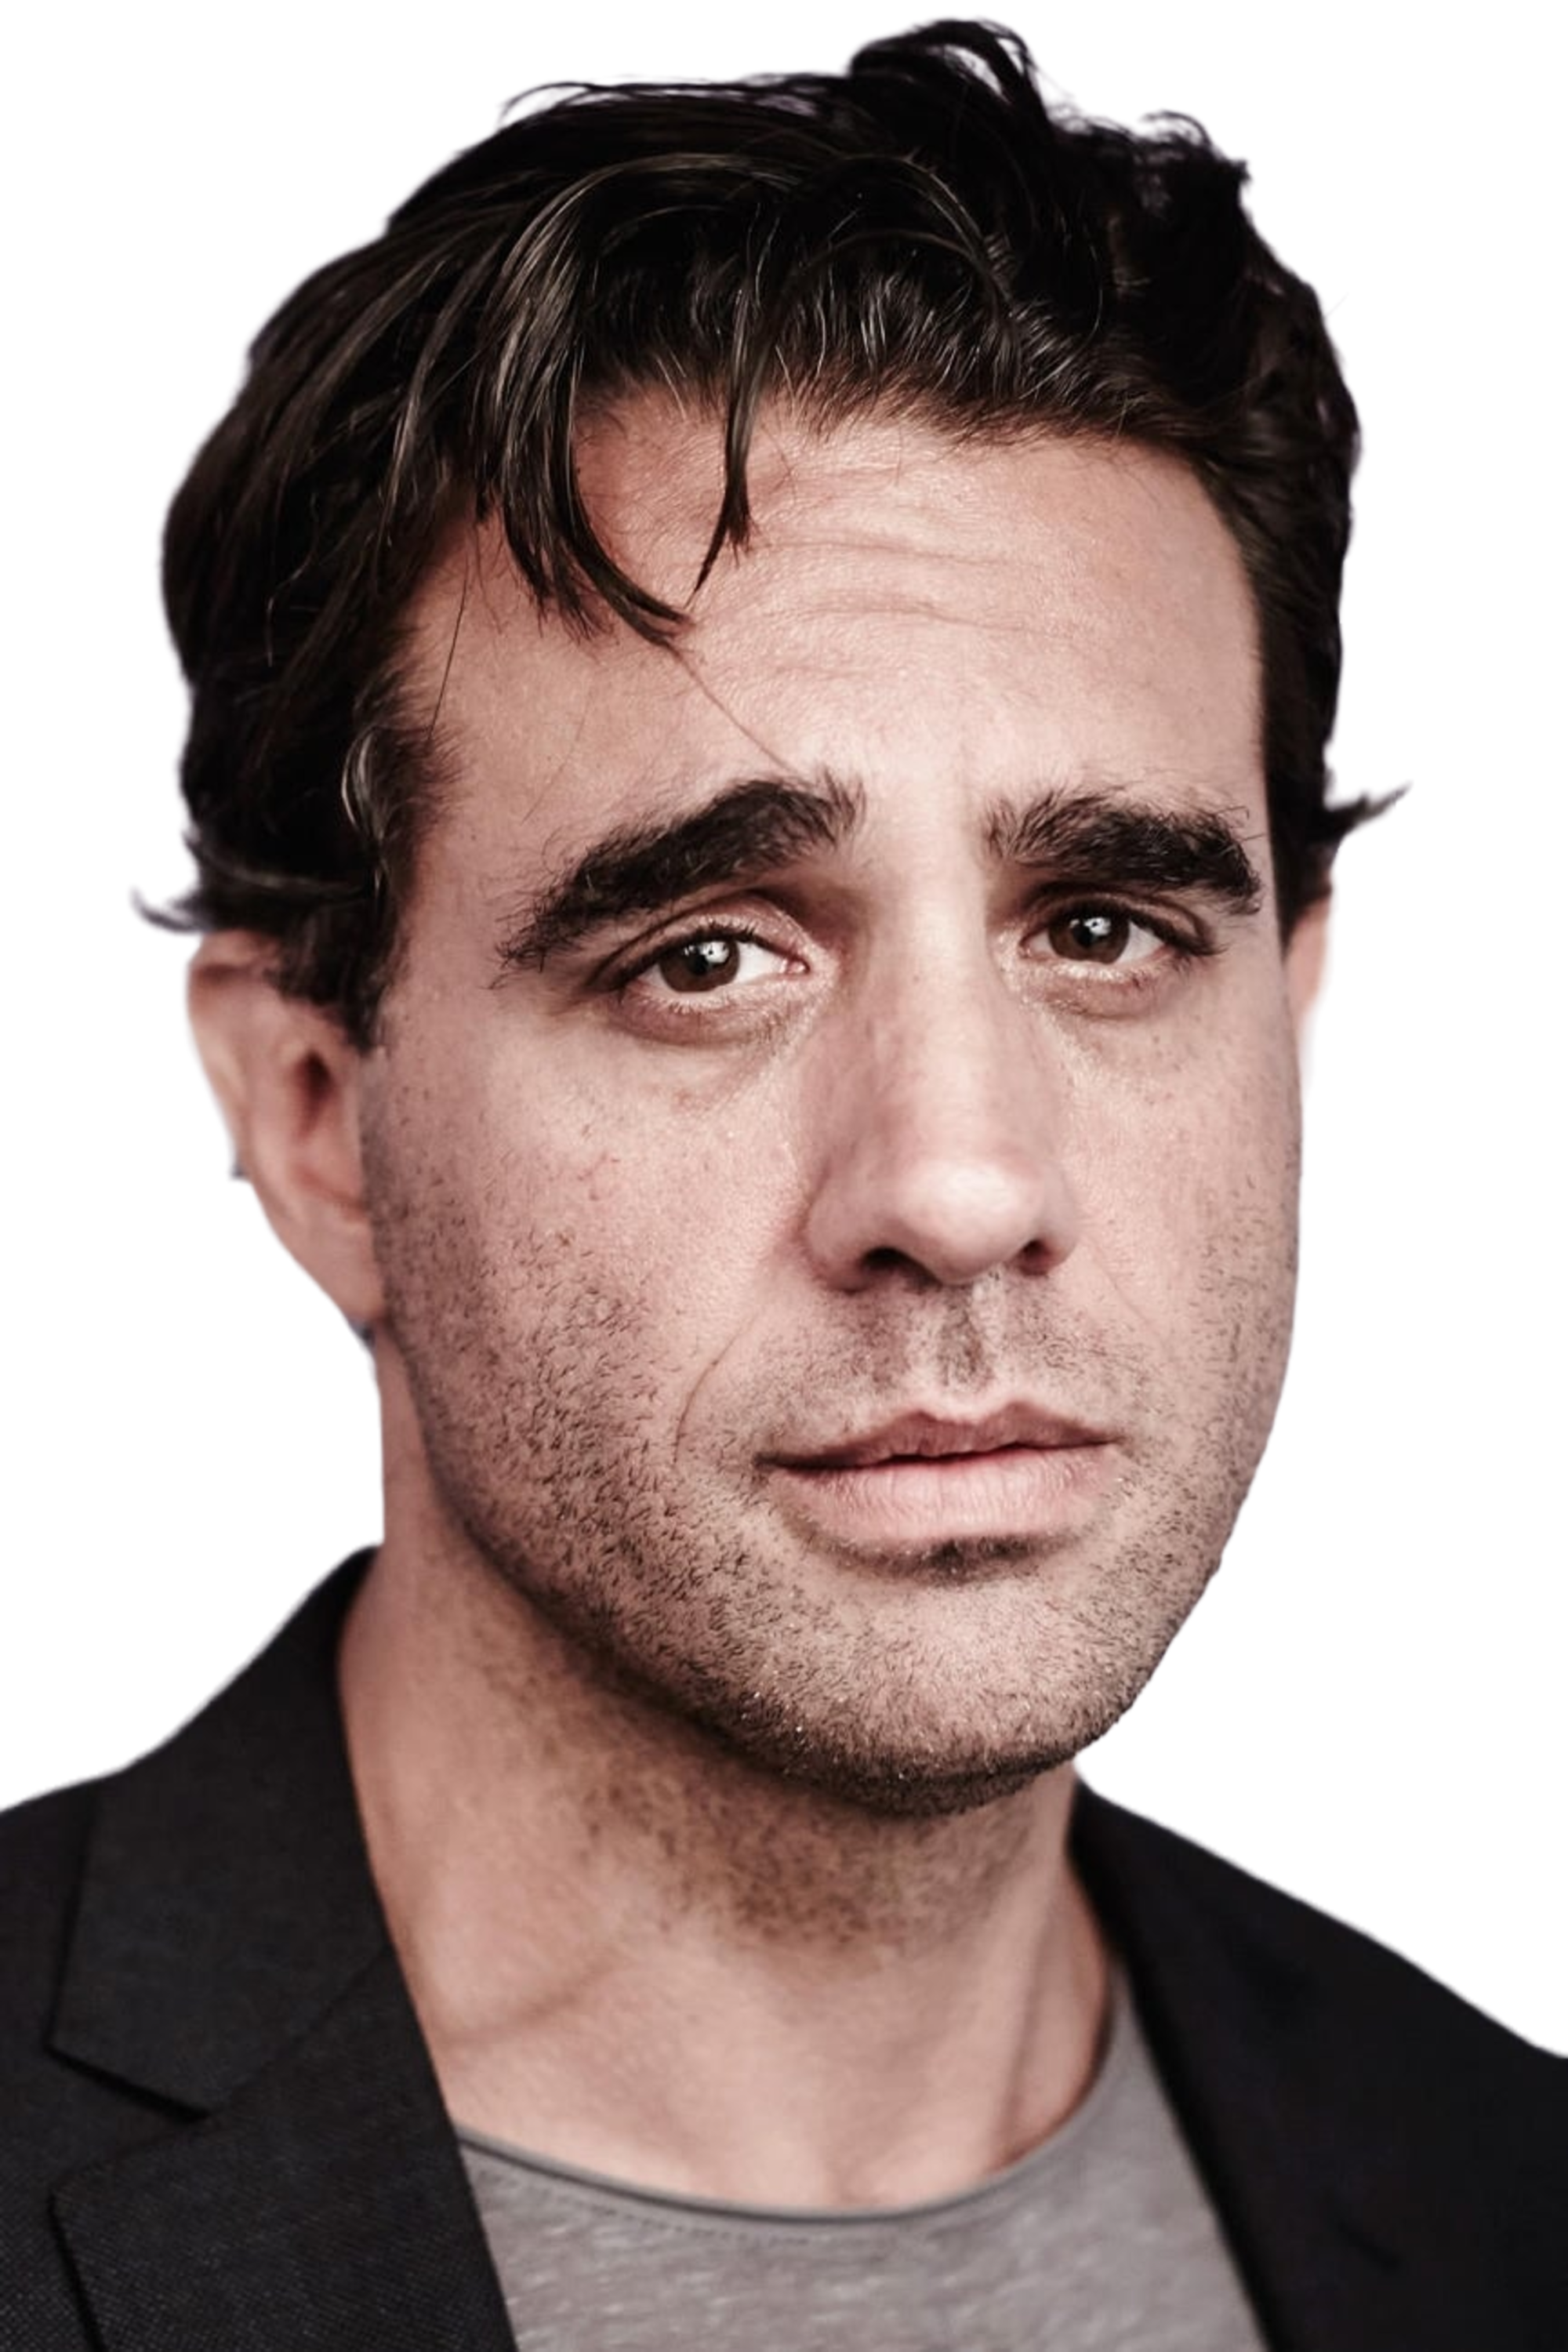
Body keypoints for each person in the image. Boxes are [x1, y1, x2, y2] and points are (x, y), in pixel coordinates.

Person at [4, 20, 1559, 2350]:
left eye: (1106, 929)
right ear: (314, 1110)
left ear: (1301, 1006)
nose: (961, 1183)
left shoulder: (1508, 2188)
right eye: (707, 956)